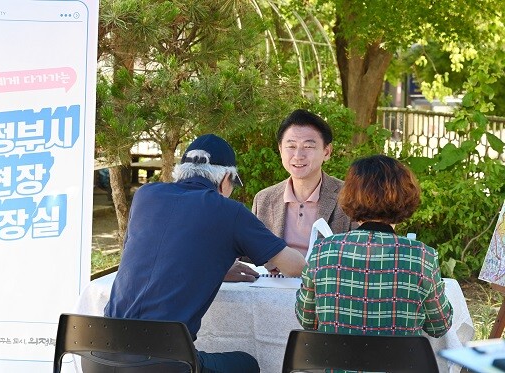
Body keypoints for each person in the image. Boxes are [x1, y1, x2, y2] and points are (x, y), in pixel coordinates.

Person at [103, 134, 306, 373]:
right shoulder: (229, 211)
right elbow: (296, 266)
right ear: (225, 179)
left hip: (99, 354)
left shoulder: (145, 195)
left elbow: (153, 254)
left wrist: (214, 267)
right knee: (247, 364)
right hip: (162, 362)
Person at [296, 154, 453, 341]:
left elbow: (307, 319)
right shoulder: (421, 256)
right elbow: (439, 326)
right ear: (406, 195)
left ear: (349, 195)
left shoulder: (323, 250)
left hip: (337, 366)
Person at [252, 109, 355, 260]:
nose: (298, 156)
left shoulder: (350, 196)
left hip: (326, 282)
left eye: (308, 146)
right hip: (274, 282)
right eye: (291, 147)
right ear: (280, 150)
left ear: (327, 152)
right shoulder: (263, 199)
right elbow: (251, 257)